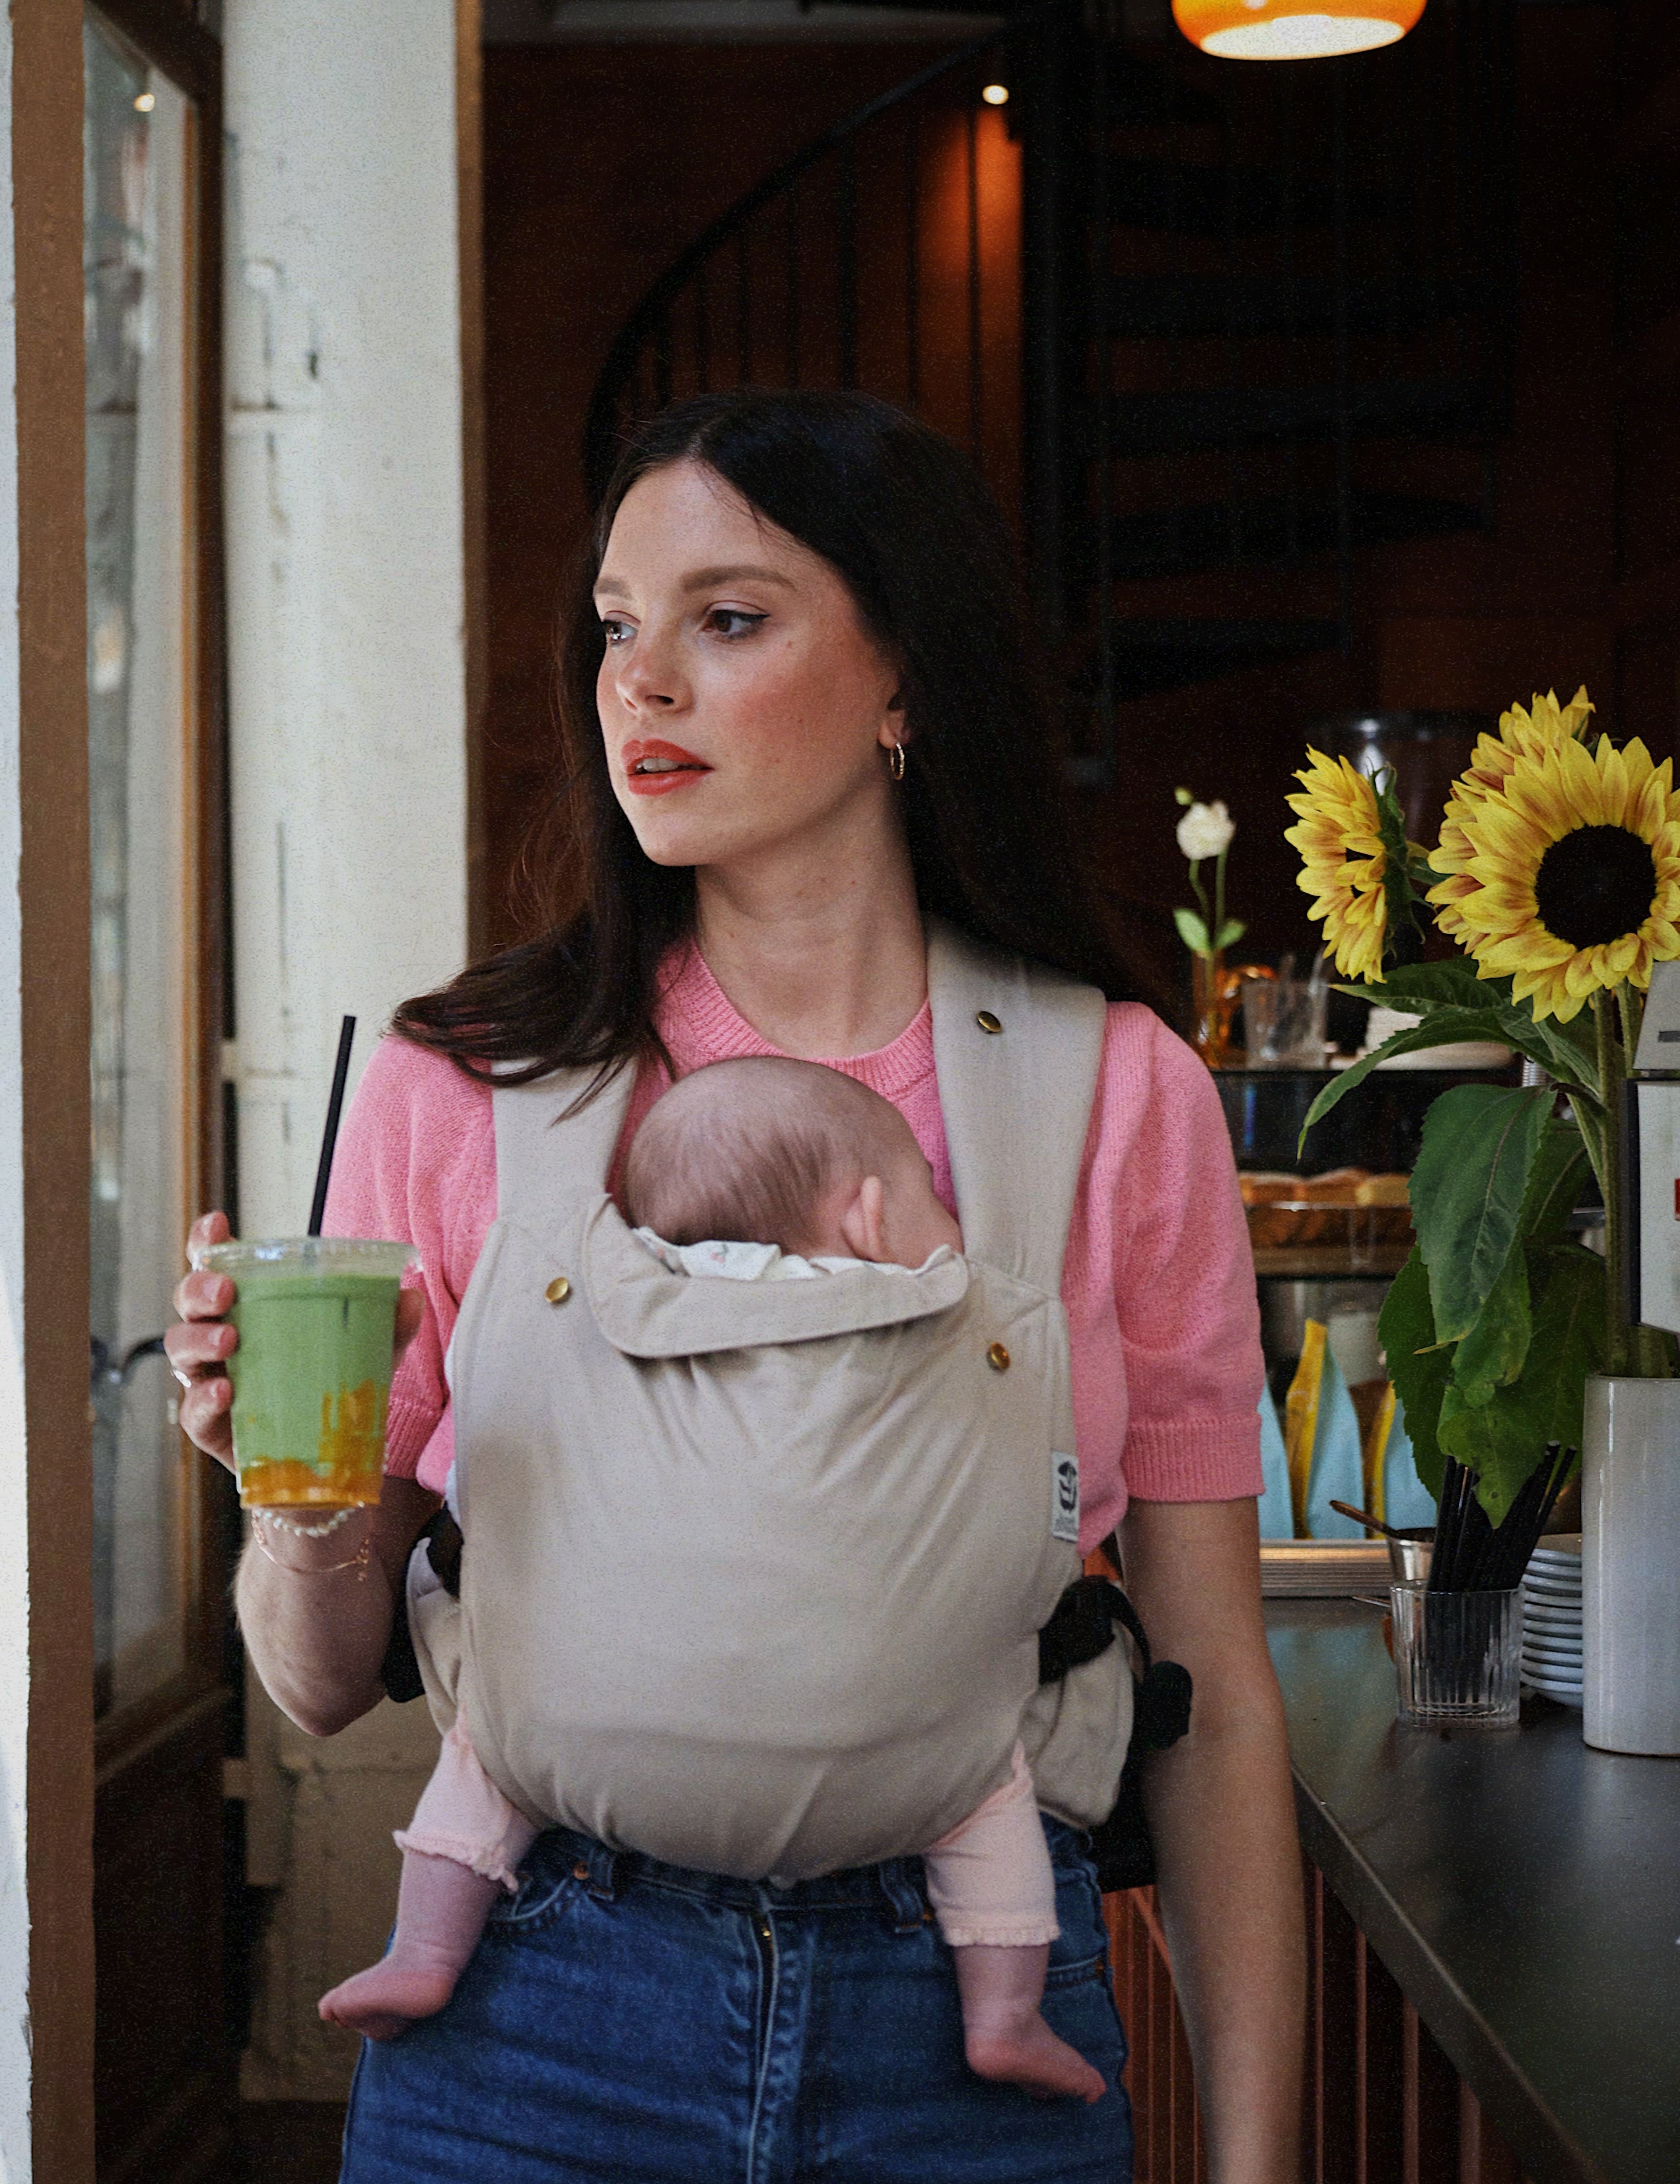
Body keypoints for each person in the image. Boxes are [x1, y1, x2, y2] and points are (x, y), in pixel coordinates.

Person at [169, 387, 1305, 2184]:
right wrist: (288, 1491)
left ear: (904, 676)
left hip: (973, 2029)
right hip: (531, 2024)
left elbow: (1218, 1700)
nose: (640, 683)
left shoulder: (1117, 1096)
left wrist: (1258, 2166)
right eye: (618, 626)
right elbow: (319, 1685)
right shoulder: (460, 1088)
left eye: (729, 618)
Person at [319, 1055, 1105, 2106]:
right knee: (990, 1792)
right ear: (870, 1216)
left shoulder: (598, 1294)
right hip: (909, 1807)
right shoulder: (921, 1293)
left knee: (486, 1755)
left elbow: (477, 1496)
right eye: (931, 1197)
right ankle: (1003, 2013)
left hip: (563, 1887)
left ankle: (422, 1952)